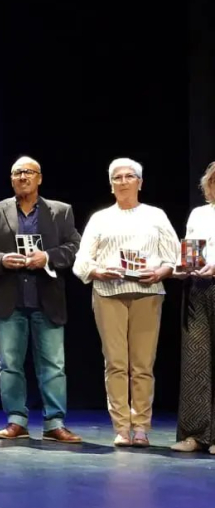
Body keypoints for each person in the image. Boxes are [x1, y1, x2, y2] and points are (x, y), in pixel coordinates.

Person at [72, 158, 180, 447]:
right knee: (116, 364)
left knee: (143, 365)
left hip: (147, 293)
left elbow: (174, 257)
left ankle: (141, 426)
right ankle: (122, 427)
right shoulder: (100, 218)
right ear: (111, 185)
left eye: (128, 176)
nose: (122, 181)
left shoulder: (155, 215)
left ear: (140, 182)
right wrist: (96, 271)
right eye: (116, 177)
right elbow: (81, 260)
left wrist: (161, 271)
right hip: (108, 294)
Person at [0, 156, 83, 443]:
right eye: (16, 173)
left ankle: (54, 422)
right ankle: (16, 420)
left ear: (39, 178)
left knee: (54, 364)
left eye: (28, 172)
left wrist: (48, 257)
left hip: (46, 298)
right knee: (10, 364)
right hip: (9, 298)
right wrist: (1, 259)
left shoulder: (60, 212)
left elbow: (75, 246)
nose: (22, 177)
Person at [173, 161, 215, 453]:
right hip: (198, 289)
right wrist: (184, 265)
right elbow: (191, 247)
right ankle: (196, 435)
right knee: (196, 360)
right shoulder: (199, 213)